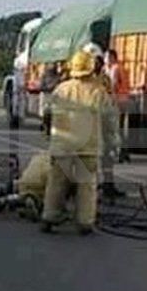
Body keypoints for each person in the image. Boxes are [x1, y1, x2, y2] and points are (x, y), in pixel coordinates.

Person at [41, 50, 117, 235]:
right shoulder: (99, 92)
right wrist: (112, 142)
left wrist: (50, 136)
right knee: (86, 184)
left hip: (62, 144)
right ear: (91, 69)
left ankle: (49, 217)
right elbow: (109, 121)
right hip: (88, 146)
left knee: (56, 182)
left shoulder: (61, 89)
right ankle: (84, 221)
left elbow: (47, 113)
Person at [81, 43, 123, 198]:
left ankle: (108, 185)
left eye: (97, 60)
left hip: (103, 122)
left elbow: (109, 101)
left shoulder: (104, 79)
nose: (95, 64)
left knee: (107, 156)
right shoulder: (76, 79)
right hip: (84, 125)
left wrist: (113, 129)